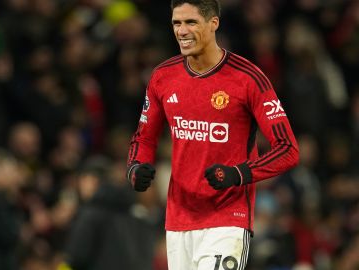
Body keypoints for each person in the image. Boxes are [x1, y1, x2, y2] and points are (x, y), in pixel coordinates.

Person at [126, 1, 300, 269]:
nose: (182, 31)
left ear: (213, 23)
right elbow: (144, 137)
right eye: (177, 23)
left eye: (191, 22)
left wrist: (237, 173)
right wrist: (135, 168)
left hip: (227, 217)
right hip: (178, 219)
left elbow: (287, 149)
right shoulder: (163, 77)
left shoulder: (248, 79)